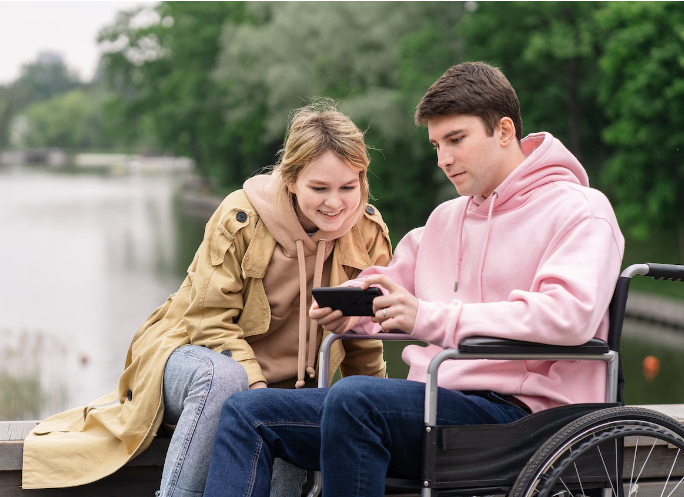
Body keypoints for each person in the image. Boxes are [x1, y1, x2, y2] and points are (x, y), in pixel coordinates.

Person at [201, 61, 625, 497]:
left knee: (357, 399)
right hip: (434, 407)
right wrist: (352, 308)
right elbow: (390, 287)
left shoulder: (581, 211)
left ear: (503, 130)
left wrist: (430, 318)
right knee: (247, 412)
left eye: (456, 140)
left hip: (528, 419)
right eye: (436, 144)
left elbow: (568, 316)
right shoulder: (446, 219)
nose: (444, 159)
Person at [21, 100, 393, 497]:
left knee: (284, 424)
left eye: (347, 188)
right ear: (290, 179)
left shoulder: (368, 232)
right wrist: (258, 394)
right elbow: (209, 321)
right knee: (225, 379)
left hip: (284, 393)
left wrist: (380, 415)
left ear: (362, 180)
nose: (335, 203)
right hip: (193, 357)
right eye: (319, 188)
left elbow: (364, 338)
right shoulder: (241, 215)